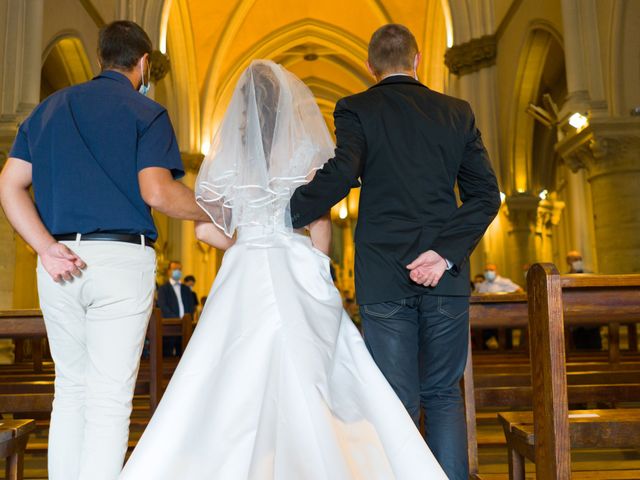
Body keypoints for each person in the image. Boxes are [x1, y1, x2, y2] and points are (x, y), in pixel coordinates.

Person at [119, 60, 447, 479]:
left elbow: (204, 230)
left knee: (227, 372)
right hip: (294, 263)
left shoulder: (230, 163)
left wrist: (246, 239)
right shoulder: (303, 154)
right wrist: (319, 266)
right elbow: (320, 221)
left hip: (246, 267)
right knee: (316, 368)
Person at [289, 24, 501, 480]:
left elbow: (343, 172)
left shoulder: (357, 108)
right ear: (418, 59)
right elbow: (487, 195)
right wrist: (443, 254)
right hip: (444, 276)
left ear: (370, 66)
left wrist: (287, 211)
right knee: (443, 393)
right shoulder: (455, 112)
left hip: (385, 273)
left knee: (395, 397)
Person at [0, 21, 209, 480]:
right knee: (110, 396)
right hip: (119, 259)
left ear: (99, 59)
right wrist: (210, 211)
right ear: (143, 64)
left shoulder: (49, 109)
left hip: (58, 264)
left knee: (70, 390)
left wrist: (46, 247)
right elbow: (156, 192)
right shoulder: (145, 111)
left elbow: (10, 184)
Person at [156, 261, 196, 356]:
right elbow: (163, 307)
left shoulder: (186, 289)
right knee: (168, 355)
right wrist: (178, 320)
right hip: (170, 327)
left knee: (184, 355)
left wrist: (186, 319)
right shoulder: (163, 289)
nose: (177, 271)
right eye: (175, 269)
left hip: (186, 327)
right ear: (169, 271)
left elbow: (191, 305)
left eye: (179, 269)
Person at [566, 250, 602, 349]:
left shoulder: (590, 275)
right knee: (578, 351)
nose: (578, 261)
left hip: (591, 322)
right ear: (568, 262)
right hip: (575, 324)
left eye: (580, 259)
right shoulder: (564, 278)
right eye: (575, 259)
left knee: (596, 349)